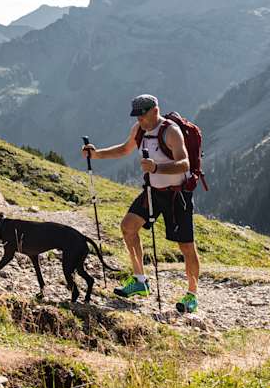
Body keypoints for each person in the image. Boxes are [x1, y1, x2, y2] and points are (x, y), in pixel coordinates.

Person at [83, 94, 200, 313]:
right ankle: (140, 281)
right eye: (136, 116)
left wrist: (157, 168)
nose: (139, 120)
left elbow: (184, 164)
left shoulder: (171, 131)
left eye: (142, 115)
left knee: (186, 246)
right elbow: (124, 149)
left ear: (154, 110)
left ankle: (192, 295)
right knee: (128, 227)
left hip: (177, 195)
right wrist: (96, 155)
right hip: (153, 192)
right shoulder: (139, 130)